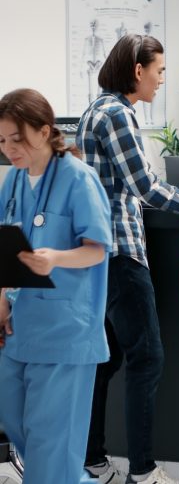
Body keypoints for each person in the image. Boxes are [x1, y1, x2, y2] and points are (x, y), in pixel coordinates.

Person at [76, 33, 179, 484]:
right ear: (138, 70)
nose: (162, 80)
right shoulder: (118, 114)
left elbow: (118, 186)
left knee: (105, 362)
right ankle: (142, 473)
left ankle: (94, 460)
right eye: (159, 71)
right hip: (122, 254)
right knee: (148, 359)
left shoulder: (95, 110)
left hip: (101, 254)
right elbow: (145, 186)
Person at [0, 88, 112, 484]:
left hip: (67, 331)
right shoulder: (12, 183)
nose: (9, 149)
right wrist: (0, 297)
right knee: (16, 419)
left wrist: (56, 258)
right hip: (21, 328)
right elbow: (5, 248)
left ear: (45, 131)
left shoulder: (78, 179)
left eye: (18, 139)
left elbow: (97, 250)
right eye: (1, 140)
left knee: (51, 447)